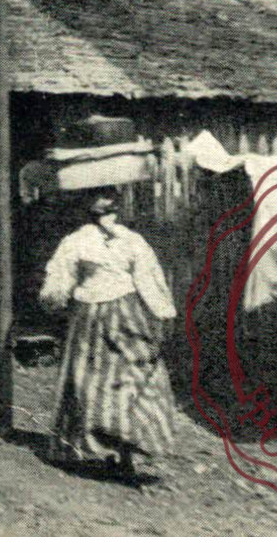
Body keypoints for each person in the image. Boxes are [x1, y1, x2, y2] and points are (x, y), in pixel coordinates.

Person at [38, 189, 177, 481]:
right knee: (89, 380)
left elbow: (149, 278)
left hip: (128, 315)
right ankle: (96, 447)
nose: (107, 218)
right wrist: (55, 300)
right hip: (89, 316)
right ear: (90, 213)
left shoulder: (132, 241)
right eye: (101, 212)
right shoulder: (76, 241)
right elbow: (60, 279)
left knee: (131, 377)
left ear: (118, 212)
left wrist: (162, 312)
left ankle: (127, 449)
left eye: (111, 211)